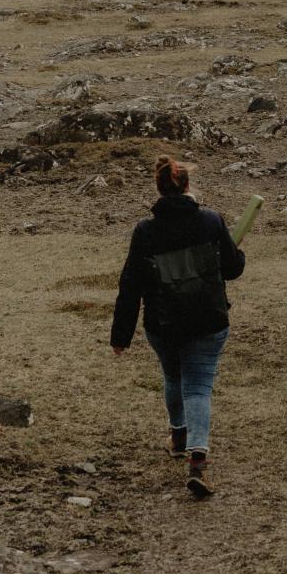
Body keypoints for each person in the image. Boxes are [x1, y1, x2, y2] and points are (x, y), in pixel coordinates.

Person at [110, 156, 246, 499]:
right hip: (209, 320)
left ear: (159, 188)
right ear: (187, 186)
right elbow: (232, 270)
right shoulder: (211, 222)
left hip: (163, 323)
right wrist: (236, 255)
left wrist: (120, 337)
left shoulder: (145, 231)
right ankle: (197, 461)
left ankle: (179, 436)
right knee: (198, 387)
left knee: (173, 378)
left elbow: (131, 285)